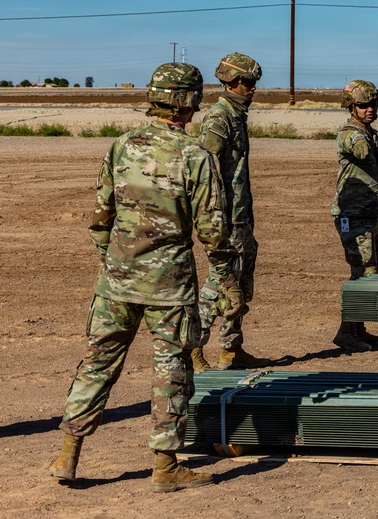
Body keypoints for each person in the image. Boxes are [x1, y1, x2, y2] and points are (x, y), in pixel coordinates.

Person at [49, 63, 242, 492]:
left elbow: (101, 219)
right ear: (188, 102)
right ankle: (165, 466)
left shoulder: (120, 146)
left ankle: (68, 454)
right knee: (171, 369)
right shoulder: (196, 156)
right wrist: (226, 274)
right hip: (169, 286)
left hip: (115, 281)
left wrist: (116, 261)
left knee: (97, 362)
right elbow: (214, 231)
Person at [191, 52, 268, 372]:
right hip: (224, 218)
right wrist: (211, 217)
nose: (252, 89)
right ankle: (193, 349)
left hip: (241, 217)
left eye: (254, 83)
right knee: (220, 285)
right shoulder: (220, 118)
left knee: (241, 284)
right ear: (229, 83)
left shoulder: (237, 116)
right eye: (246, 83)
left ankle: (231, 350)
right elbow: (202, 169)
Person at [330, 79, 378, 353]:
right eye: (363, 105)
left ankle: (358, 328)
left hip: (370, 213)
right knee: (362, 274)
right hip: (353, 216)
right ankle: (346, 332)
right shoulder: (350, 133)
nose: (370, 109)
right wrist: (362, 139)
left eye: (373, 103)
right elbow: (359, 150)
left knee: (369, 272)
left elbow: (377, 172)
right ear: (351, 107)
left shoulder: (371, 133)